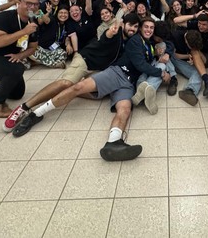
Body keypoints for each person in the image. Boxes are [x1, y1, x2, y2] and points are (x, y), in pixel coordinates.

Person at [13, 17, 164, 163]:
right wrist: (162, 74)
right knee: (77, 87)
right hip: (117, 73)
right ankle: (36, 114)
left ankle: (113, 143)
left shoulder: (149, 45)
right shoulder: (135, 40)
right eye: (145, 27)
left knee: (125, 110)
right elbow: (135, 60)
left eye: (151, 28)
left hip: (128, 84)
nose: (149, 30)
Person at [2, 13, 141, 133]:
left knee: (98, 93)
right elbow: (107, 36)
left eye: (136, 27)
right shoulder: (116, 33)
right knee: (66, 83)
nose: (133, 29)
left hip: (100, 69)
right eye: (130, 25)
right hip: (86, 60)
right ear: (123, 24)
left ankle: (68, 90)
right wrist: (111, 31)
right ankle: (24, 107)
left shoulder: (132, 42)